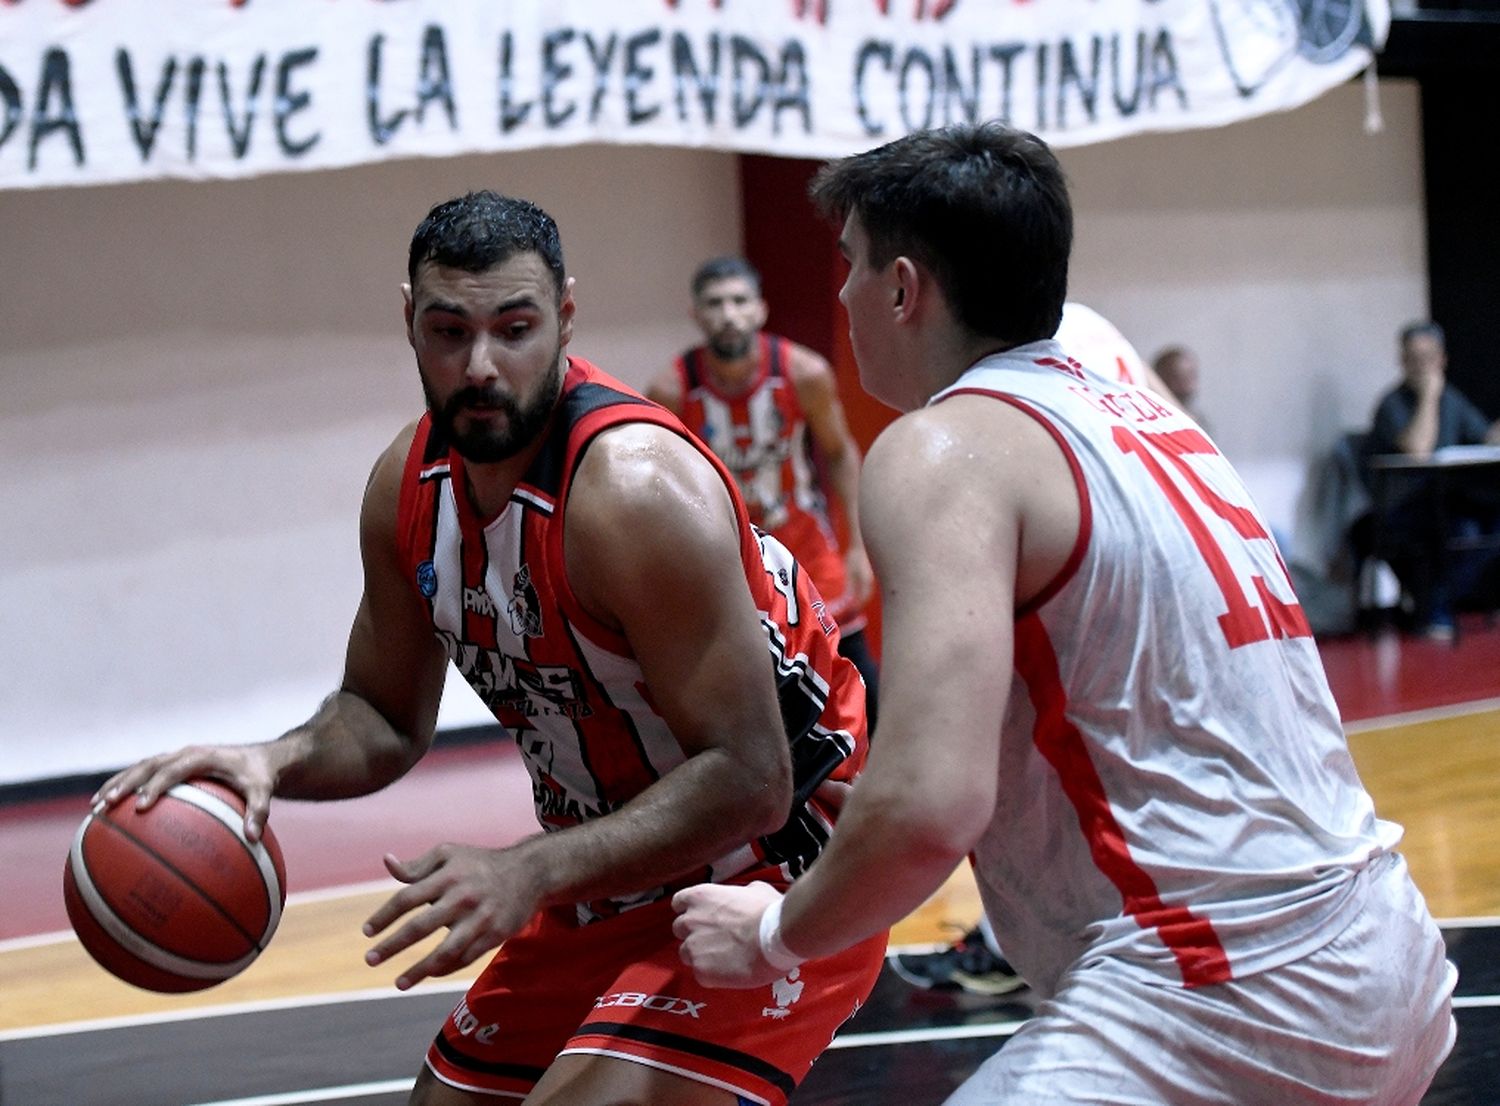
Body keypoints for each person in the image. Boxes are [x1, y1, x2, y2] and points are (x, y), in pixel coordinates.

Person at [673, 123, 1456, 1104]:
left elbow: (928, 805)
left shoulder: (941, 449)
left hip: (1224, 982)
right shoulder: (1127, 389)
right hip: (1386, 940)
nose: (839, 294)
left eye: (851, 265)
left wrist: (773, 934)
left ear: (905, 288)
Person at [93, 191, 887, 1106]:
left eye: (515, 329)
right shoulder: (407, 486)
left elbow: (752, 778)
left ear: (565, 318)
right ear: (408, 323)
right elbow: (383, 716)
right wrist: (267, 762)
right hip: (614, 866)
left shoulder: (634, 493)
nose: (481, 366)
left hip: (779, 863)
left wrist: (526, 869)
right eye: (449, 331)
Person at [647, 256, 880, 729]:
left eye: (739, 301)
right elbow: (658, 482)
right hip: (725, 560)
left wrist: (856, 544)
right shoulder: (672, 388)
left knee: (860, 687)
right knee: (747, 705)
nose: (728, 313)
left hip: (806, 550)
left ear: (760, 309)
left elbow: (838, 453)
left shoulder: (804, 373)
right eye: (715, 303)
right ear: (696, 314)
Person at [1366, 320, 1500, 639]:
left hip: (1448, 502)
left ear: (1442, 359)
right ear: (1402, 361)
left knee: (1491, 521)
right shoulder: (1392, 404)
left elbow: (1486, 438)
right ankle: (1433, 609)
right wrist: (1429, 397)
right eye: (1414, 358)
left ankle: (1448, 601)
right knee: (1456, 529)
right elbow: (1418, 448)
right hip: (1402, 507)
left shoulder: (1452, 400)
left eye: (1428, 358)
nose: (1421, 366)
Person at [1152, 343, 1213, 431]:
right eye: (1177, 376)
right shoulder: (1151, 422)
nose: (1188, 383)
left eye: (1191, 374)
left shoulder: (1199, 422)